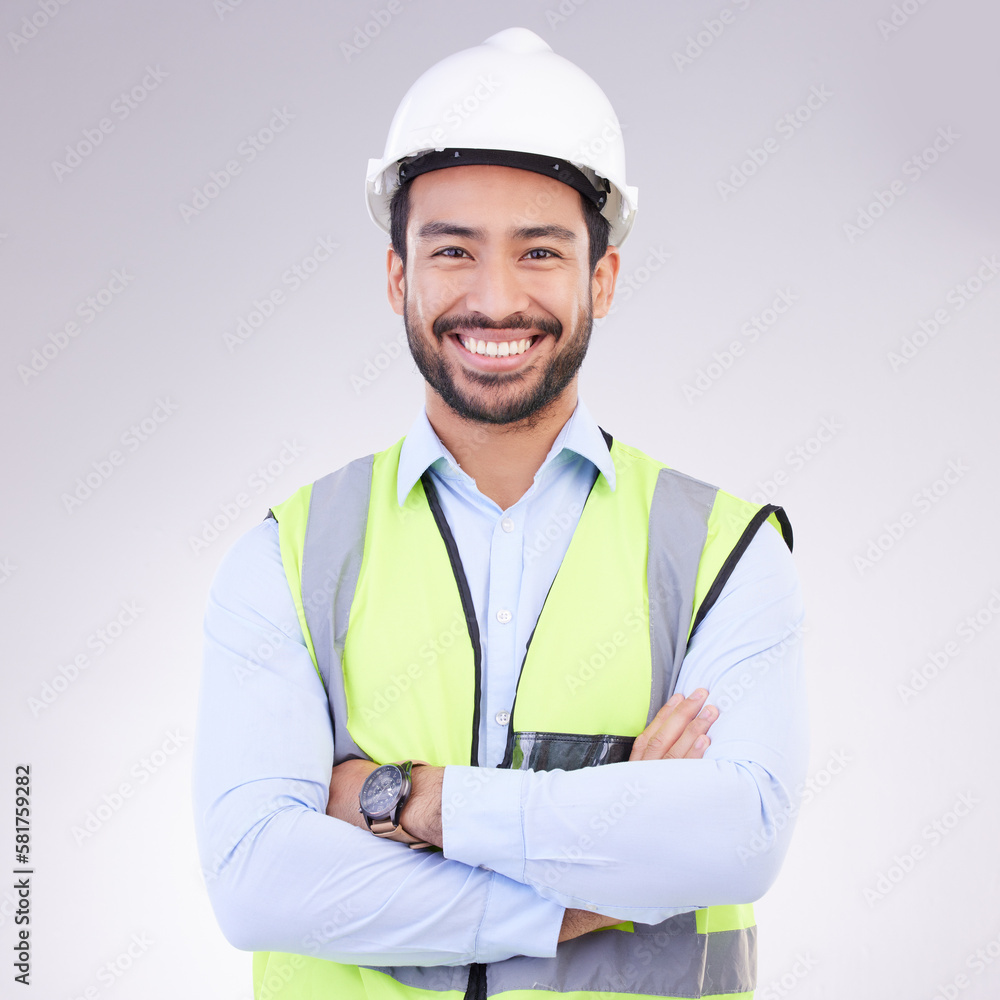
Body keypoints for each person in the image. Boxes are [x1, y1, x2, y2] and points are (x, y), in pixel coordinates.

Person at [192, 26, 808, 1000]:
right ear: (396, 274)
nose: (494, 297)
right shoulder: (288, 557)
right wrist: (587, 882)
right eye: (451, 251)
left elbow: (737, 841)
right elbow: (255, 882)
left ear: (600, 278)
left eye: (539, 251)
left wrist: (410, 800)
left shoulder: (725, 555)